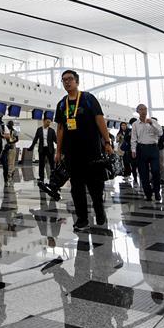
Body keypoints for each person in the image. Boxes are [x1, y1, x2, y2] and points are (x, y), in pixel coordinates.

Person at [53, 70, 113, 231]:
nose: (67, 82)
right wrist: (58, 152)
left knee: (95, 185)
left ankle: (99, 211)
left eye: (70, 79)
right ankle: (82, 218)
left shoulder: (88, 99)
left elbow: (100, 120)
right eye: (64, 80)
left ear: (77, 81)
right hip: (72, 153)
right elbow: (60, 128)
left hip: (92, 151)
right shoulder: (61, 104)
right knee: (76, 187)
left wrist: (107, 142)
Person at [131, 104, 161, 201]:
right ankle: (148, 193)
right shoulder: (135, 124)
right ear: (138, 111)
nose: (144, 111)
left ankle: (157, 192)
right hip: (141, 149)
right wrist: (133, 150)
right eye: (141, 109)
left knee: (156, 170)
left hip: (153, 148)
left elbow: (160, 133)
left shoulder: (154, 121)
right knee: (143, 173)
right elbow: (134, 138)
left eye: (145, 109)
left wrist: (152, 123)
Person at [29, 117, 57, 183]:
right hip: (42, 149)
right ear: (44, 121)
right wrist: (32, 146)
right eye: (47, 122)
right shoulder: (39, 130)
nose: (49, 123)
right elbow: (35, 139)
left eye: (49, 122)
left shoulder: (52, 130)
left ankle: (53, 177)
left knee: (52, 164)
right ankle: (41, 178)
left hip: (50, 149)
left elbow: (55, 140)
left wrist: (61, 146)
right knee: (41, 164)